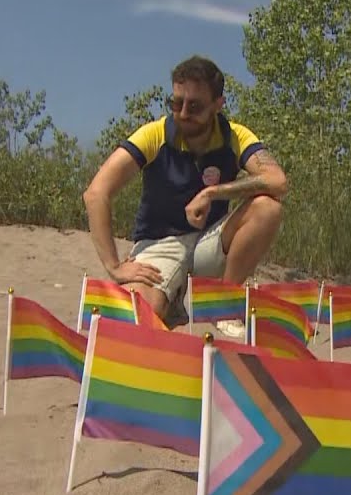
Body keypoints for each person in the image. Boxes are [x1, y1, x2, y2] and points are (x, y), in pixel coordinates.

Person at [82, 55, 287, 337]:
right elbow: (96, 193)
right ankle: (169, 304)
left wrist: (212, 193)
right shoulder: (155, 134)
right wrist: (114, 266)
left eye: (194, 105)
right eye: (176, 103)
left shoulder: (234, 137)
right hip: (159, 244)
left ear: (218, 104)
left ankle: (224, 302)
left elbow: (277, 181)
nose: (183, 112)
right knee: (139, 315)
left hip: (210, 242)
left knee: (268, 208)